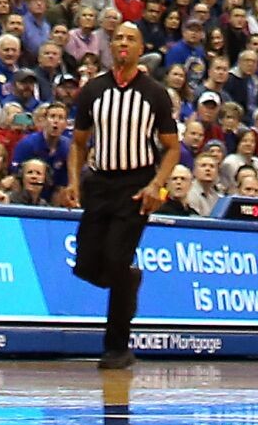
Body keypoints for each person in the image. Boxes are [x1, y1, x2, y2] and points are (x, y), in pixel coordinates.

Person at [67, 21, 181, 368]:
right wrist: (73, 182)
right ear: (110, 46)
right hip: (99, 183)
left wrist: (157, 186)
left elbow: (173, 149)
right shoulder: (93, 90)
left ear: (140, 48)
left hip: (137, 186)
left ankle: (116, 348)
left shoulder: (155, 93)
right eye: (118, 38)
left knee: (116, 258)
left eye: (131, 39)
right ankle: (129, 279)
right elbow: (79, 143)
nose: (123, 44)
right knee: (86, 265)